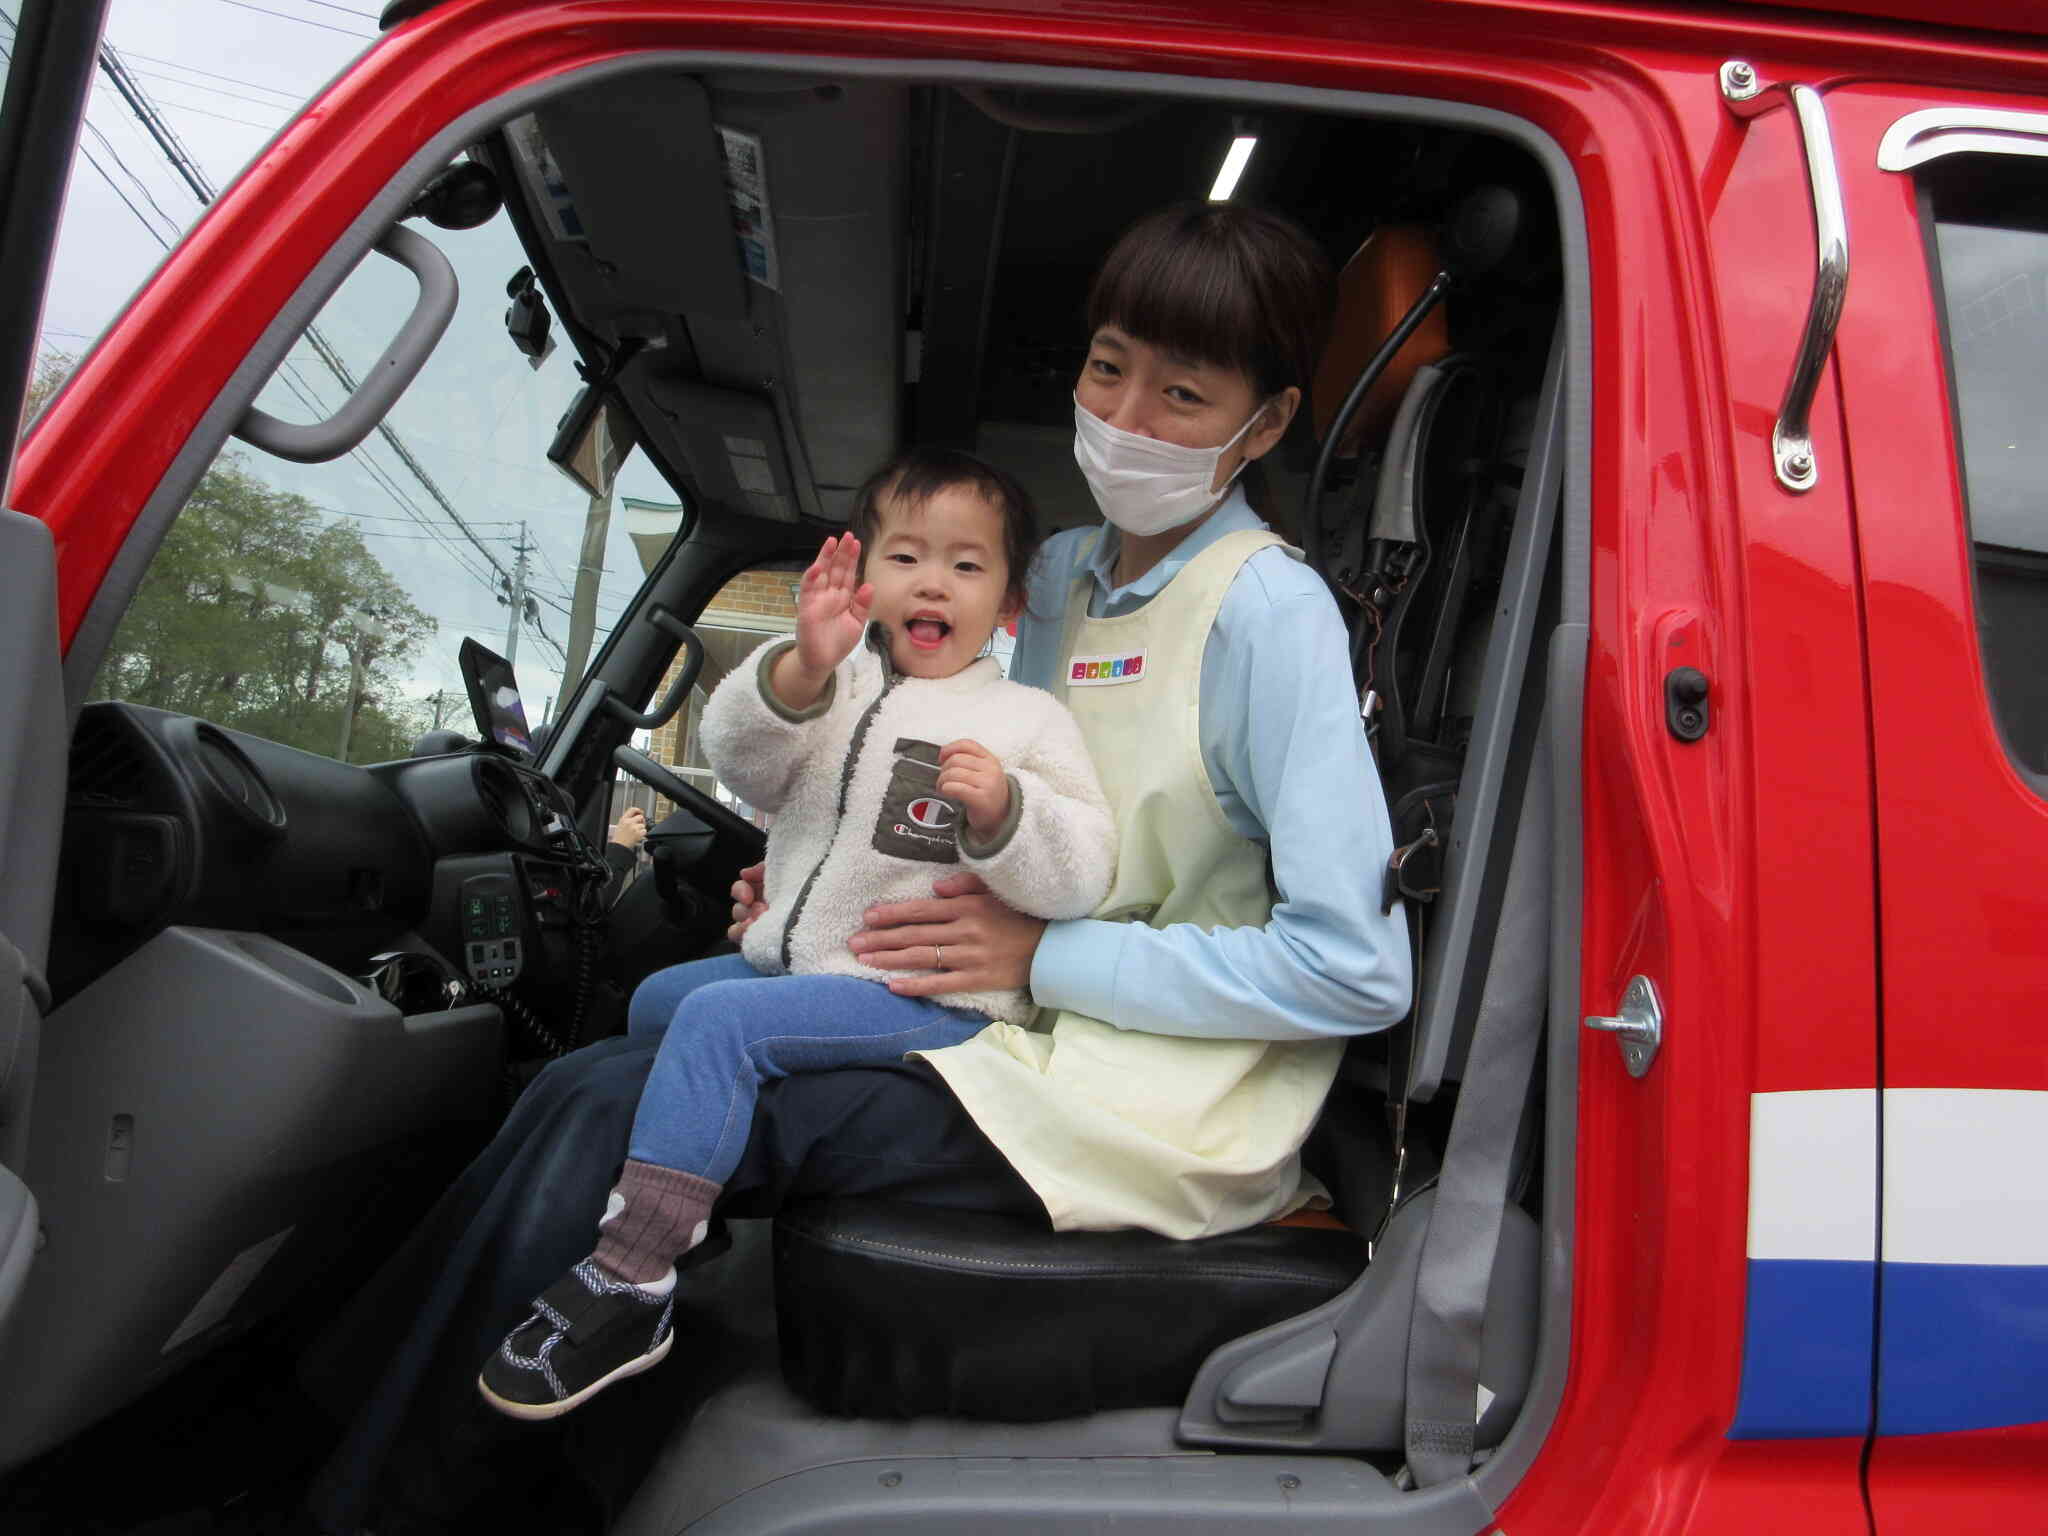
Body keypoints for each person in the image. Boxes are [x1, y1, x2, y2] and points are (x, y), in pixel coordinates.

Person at [301, 201, 1409, 1533]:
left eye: (1185, 394)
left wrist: (1051, 956)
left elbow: (1355, 968)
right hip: (989, 1020)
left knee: (619, 1111)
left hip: (1138, 1094)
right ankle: (332, 1406)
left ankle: (381, 1503)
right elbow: (974, 779)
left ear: (1267, 424)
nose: (1129, 417)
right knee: (590, 1073)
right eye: (1110, 368)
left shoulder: (1269, 612)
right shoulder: (1052, 577)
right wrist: (826, 882)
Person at [475, 449, 1114, 1420]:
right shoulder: (835, 689)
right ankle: (695, 1174)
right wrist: (799, 664)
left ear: (1009, 607)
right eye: (905, 557)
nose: (932, 581)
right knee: (656, 1002)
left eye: (967, 565)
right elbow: (745, 763)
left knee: (720, 1025)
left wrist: (1005, 814)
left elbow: (1081, 871)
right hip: (807, 963)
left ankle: (631, 1278)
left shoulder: (1022, 723)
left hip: (930, 1001)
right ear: (864, 582)